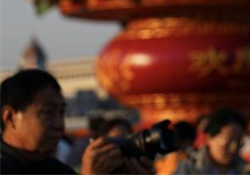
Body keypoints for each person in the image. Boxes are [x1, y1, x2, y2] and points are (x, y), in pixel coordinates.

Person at [0, 69, 152, 175]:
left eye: (61, 112)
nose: (59, 124)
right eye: (48, 112)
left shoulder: (59, 171)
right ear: (10, 117)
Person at [174, 108, 250, 175]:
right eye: (227, 141)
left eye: (239, 142)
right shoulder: (189, 168)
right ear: (209, 138)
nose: (233, 148)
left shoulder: (247, 170)